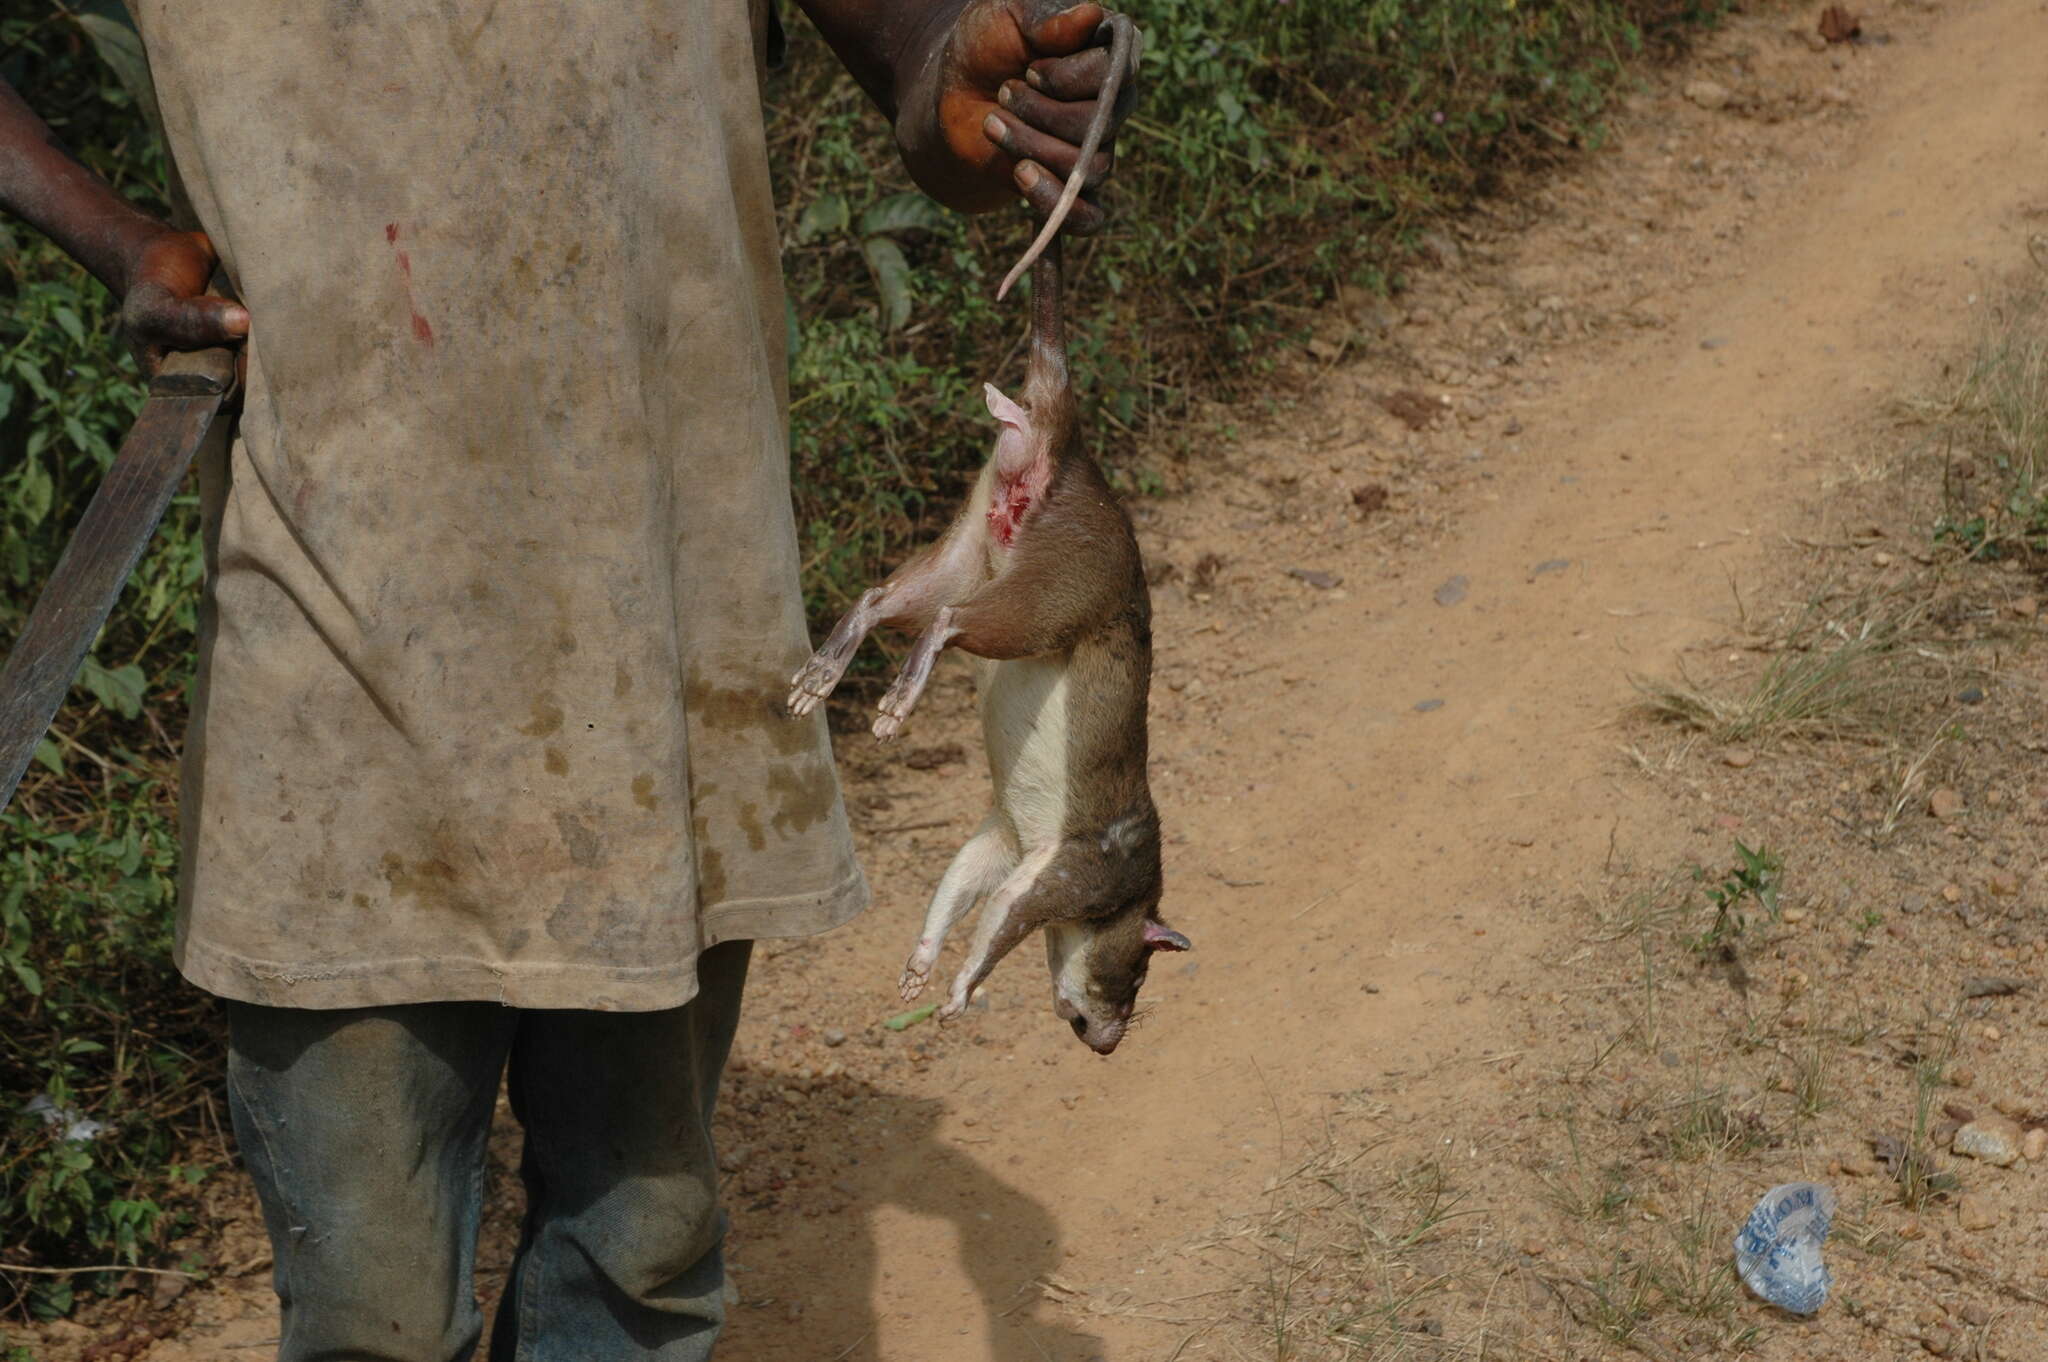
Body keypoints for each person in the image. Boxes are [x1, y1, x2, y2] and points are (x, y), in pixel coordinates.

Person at [0, 2, 1136, 1357]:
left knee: (638, 1266)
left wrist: (973, 83)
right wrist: (116, 236)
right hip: (339, 643)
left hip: (671, 625)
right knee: (372, 1308)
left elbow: (927, 70)